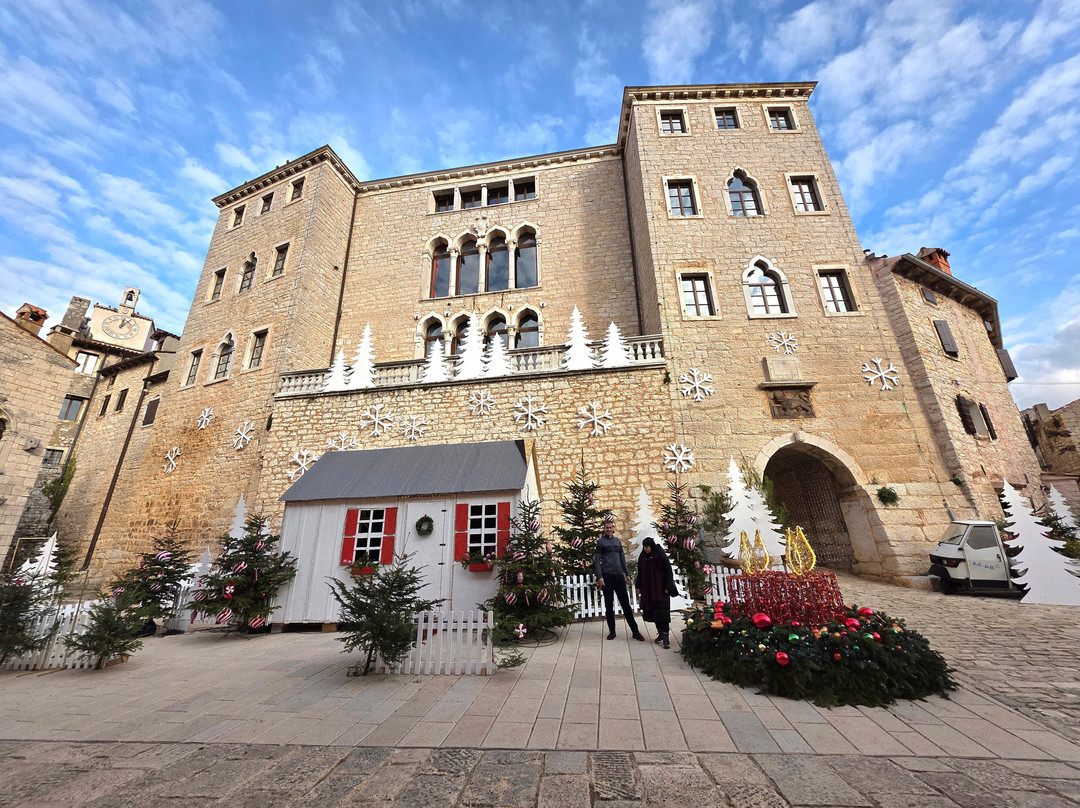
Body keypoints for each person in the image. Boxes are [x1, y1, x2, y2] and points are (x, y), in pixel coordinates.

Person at [594, 515, 644, 641]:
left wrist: (627, 573)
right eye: (607, 528)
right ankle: (612, 631)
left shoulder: (617, 542)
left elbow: (622, 559)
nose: (609, 529)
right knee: (608, 605)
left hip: (618, 576)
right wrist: (600, 576)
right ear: (604, 529)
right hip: (607, 576)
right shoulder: (601, 542)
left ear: (613, 528)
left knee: (626, 604)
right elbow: (597, 560)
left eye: (610, 527)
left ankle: (635, 631)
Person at [635, 537, 677, 648]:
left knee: (662, 613)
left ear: (651, 546)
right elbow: (640, 572)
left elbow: (668, 571)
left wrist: (668, 586)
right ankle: (660, 633)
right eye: (644, 547)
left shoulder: (660, 555)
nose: (646, 549)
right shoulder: (643, 556)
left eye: (647, 547)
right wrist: (638, 585)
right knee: (654, 612)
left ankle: (666, 637)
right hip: (649, 590)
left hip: (660, 589)